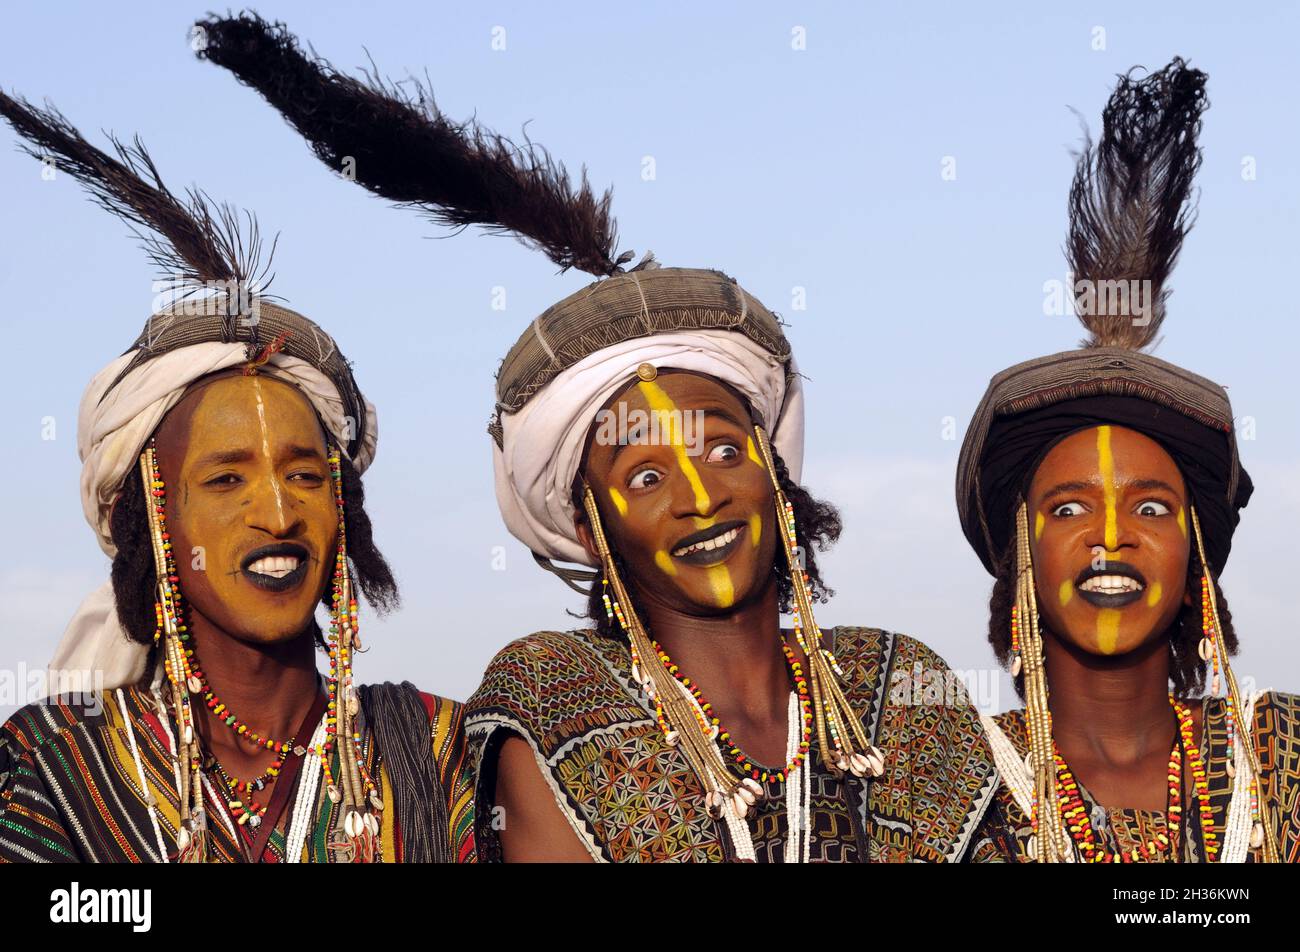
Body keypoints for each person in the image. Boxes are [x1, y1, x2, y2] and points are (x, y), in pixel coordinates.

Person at [197, 13, 1001, 862]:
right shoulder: (556, 695)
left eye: (725, 451)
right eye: (646, 478)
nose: (701, 495)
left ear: (775, 473)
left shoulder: (900, 687)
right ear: (589, 524)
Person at [0, 92, 473, 863]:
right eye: (226, 480)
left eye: (305, 476)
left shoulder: (440, 752)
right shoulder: (56, 767)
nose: (278, 514)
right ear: (155, 517)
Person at [956, 58, 1298, 863]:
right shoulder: (947, 782)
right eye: (1067, 509)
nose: (1112, 536)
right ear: (1020, 556)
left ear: (1195, 554)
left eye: (1151, 508)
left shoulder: (1281, 756)